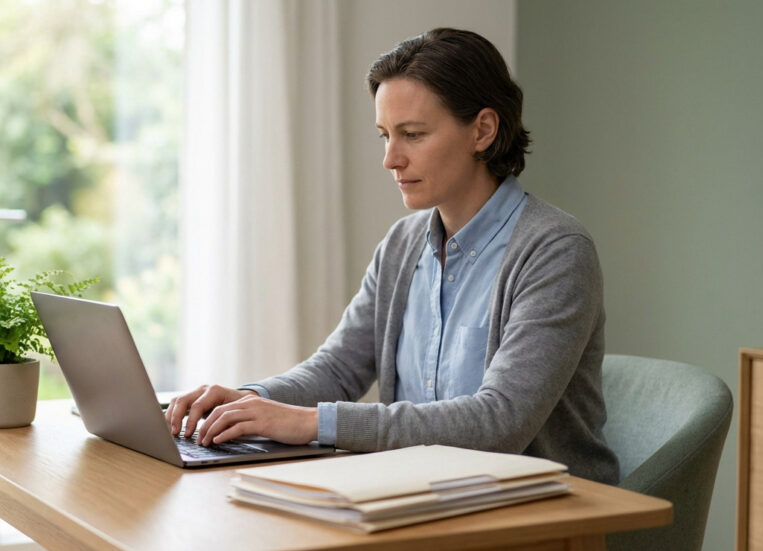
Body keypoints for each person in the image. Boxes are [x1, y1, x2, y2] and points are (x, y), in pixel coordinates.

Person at [166, 28, 619, 485]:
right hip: (421, 496)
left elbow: (498, 422)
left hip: (545, 516)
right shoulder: (403, 244)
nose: (390, 159)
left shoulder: (555, 251)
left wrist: (310, 423)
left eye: (412, 135)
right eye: (385, 135)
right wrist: (247, 402)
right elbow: (339, 369)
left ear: (483, 130)